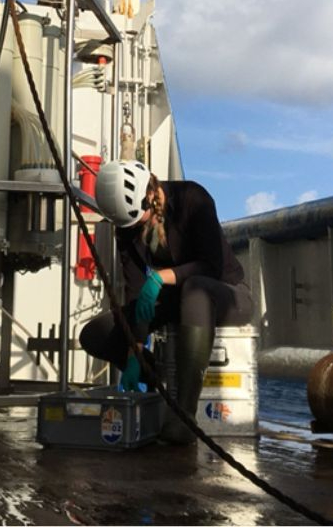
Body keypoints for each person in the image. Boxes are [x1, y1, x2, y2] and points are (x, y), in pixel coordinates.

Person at [80, 160, 253, 445]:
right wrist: (134, 355)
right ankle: (160, 382)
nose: (138, 226)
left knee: (195, 290)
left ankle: (185, 415)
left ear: (150, 195)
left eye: (141, 219)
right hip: (177, 299)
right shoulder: (126, 228)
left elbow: (211, 265)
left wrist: (161, 277)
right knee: (95, 335)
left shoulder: (192, 198)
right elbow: (136, 292)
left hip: (227, 295)